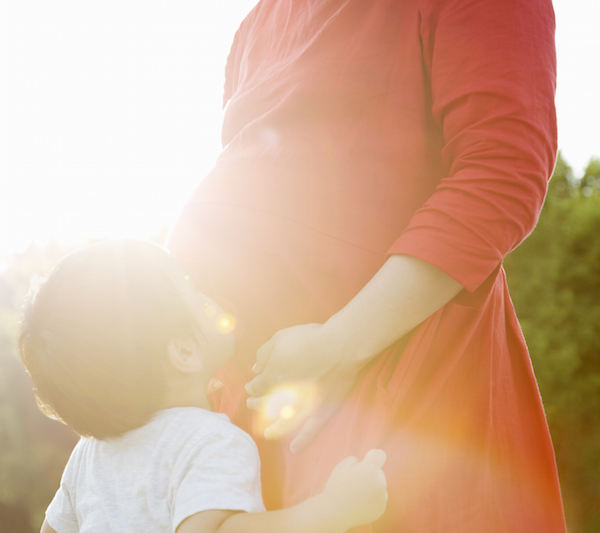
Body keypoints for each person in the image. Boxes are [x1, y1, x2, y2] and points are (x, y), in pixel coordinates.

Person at [166, 0, 567, 531]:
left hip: (397, 389)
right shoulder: (259, 21)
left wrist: (340, 345)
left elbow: (501, 170)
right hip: (255, 409)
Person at [17, 239, 388, 533]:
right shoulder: (209, 441)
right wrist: (332, 511)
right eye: (190, 287)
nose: (204, 290)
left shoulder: (88, 456)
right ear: (183, 352)